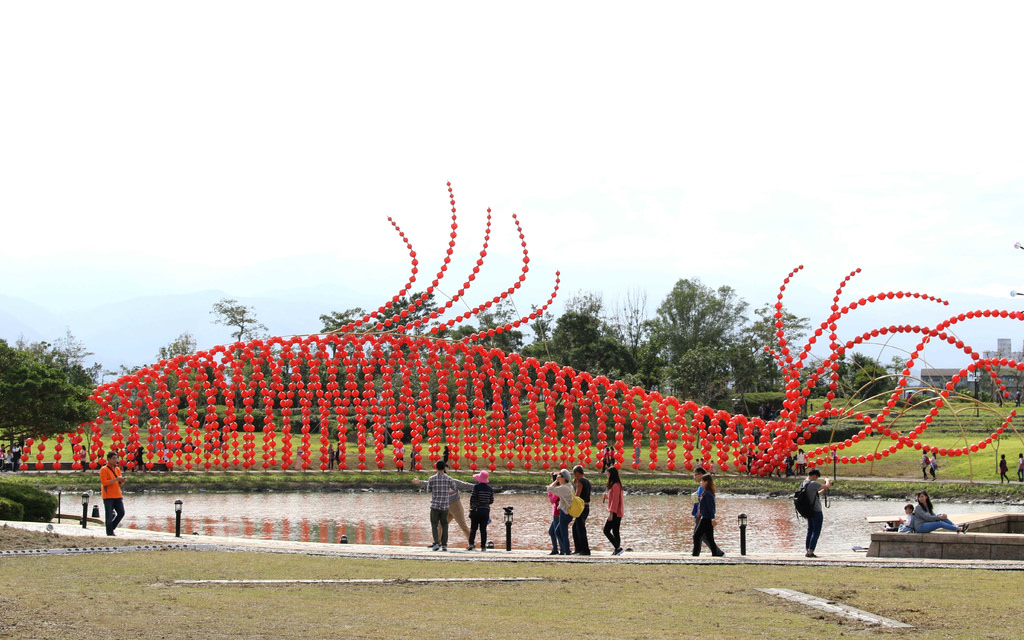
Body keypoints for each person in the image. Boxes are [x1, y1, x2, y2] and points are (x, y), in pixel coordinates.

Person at [412, 460, 460, 551]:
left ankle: (436, 544)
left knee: (434, 525)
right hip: (445, 506)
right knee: (445, 525)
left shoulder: (431, 479)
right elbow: (454, 487)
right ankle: (444, 545)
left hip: (435, 505)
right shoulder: (448, 479)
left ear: (436, 467)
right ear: (444, 468)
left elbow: (428, 491)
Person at [691, 473, 725, 557]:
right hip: (705, 517)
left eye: (702, 481)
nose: (700, 482)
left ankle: (695, 554)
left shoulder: (708, 494)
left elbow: (711, 508)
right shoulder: (706, 492)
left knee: (696, 536)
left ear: (706, 482)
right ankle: (716, 553)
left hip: (706, 518)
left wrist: (713, 519)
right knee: (710, 538)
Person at [801, 468, 831, 557]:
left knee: (810, 530)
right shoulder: (813, 483)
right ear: (814, 475)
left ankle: (808, 549)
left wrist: (823, 490)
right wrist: (827, 481)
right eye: (817, 477)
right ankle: (811, 551)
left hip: (808, 510)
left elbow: (815, 494)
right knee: (816, 531)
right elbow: (827, 486)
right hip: (816, 510)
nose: (816, 479)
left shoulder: (804, 483)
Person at [547, 469, 574, 555]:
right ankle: (565, 550)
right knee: (558, 531)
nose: (558, 477)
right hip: (567, 512)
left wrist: (556, 481)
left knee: (563, 533)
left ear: (564, 478)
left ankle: (566, 551)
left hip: (564, 513)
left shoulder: (563, 488)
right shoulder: (570, 486)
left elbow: (549, 488)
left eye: (560, 476)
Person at [100, 450, 126, 536]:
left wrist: (122, 481)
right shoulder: (104, 469)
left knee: (121, 512)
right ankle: (109, 532)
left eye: (116, 458)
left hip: (117, 495)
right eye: (114, 458)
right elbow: (104, 482)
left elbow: (119, 483)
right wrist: (116, 479)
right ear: (109, 459)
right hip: (108, 496)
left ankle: (112, 527)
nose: (116, 460)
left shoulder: (117, 469)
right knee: (109, 515)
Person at [467, 470, 494, 551]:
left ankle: (471, 544)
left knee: (473, 528)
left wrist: (472, 507)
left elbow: (472, 499)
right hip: (485, 511)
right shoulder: (490, 489)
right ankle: (483, 546)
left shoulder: (476, 487)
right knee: (483, 529)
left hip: (476, 510)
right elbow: (491, 501)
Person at [602, 466, 624, 556]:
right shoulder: (618, 485)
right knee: (615, 531)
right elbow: (615, 498)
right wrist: (607, 497)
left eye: (608, 474)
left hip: (615, 512)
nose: (607, 476)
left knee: (606, 530)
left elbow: (615, 501)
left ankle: (618, 548)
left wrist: (611, 513)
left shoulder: (615, 486)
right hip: (618, 512)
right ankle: (617, 550)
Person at [571, 464, 592, 555]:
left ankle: (584, 549)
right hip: (587, 507)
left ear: (577, 473)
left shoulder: (580, 482)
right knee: (576, 527)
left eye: (574, 474)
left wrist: (575, 486)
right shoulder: (587, 481)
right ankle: (579, 548)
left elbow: (577, 495)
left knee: (580, 528)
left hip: (581, 507)